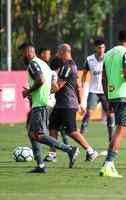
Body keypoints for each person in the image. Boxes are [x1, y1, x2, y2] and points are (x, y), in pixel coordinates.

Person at [20, 43, 79, 173]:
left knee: (39, 135)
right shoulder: (44, 65)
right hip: (43, 102)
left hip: (41, 104)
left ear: (29, 52)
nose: (22, 56)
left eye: (22, 53)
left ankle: (70, 150)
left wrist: (29, 91)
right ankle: (40, 165)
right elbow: (52, 84)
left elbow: (40, 80)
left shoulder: (33, 64)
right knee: (32, 132)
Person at [99, 30, 126, 178]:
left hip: (113, 95)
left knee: (119, 129)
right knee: (122, 130)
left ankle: (108, 164)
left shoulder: (108, 54)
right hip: (125, 96)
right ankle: (108, 164)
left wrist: (108, 98)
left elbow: (103, 79)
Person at [49, 43, 98, 162]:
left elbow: (58, 86)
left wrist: (44, 90)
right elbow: (78, 86)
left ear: (63, 52)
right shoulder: (73, 65)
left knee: (72, 131)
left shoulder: (67, 66)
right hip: (62, 104)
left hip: (67, 104)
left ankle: (91, 151)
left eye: (58, 52)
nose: (56, 54)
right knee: (53, 127)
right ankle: (52, 154)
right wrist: (81, 102)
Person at [80, 37, 115, 145]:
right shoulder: (89, 59)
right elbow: (84, 73)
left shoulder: (108, 58)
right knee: (89, 112)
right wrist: (82, 84)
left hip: (106, 91)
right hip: (93, 90)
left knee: (110, 114)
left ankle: (111, 138)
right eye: (99, 47)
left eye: (103, 47)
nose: (101, 50)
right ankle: (82, 131)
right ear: (95, 48)